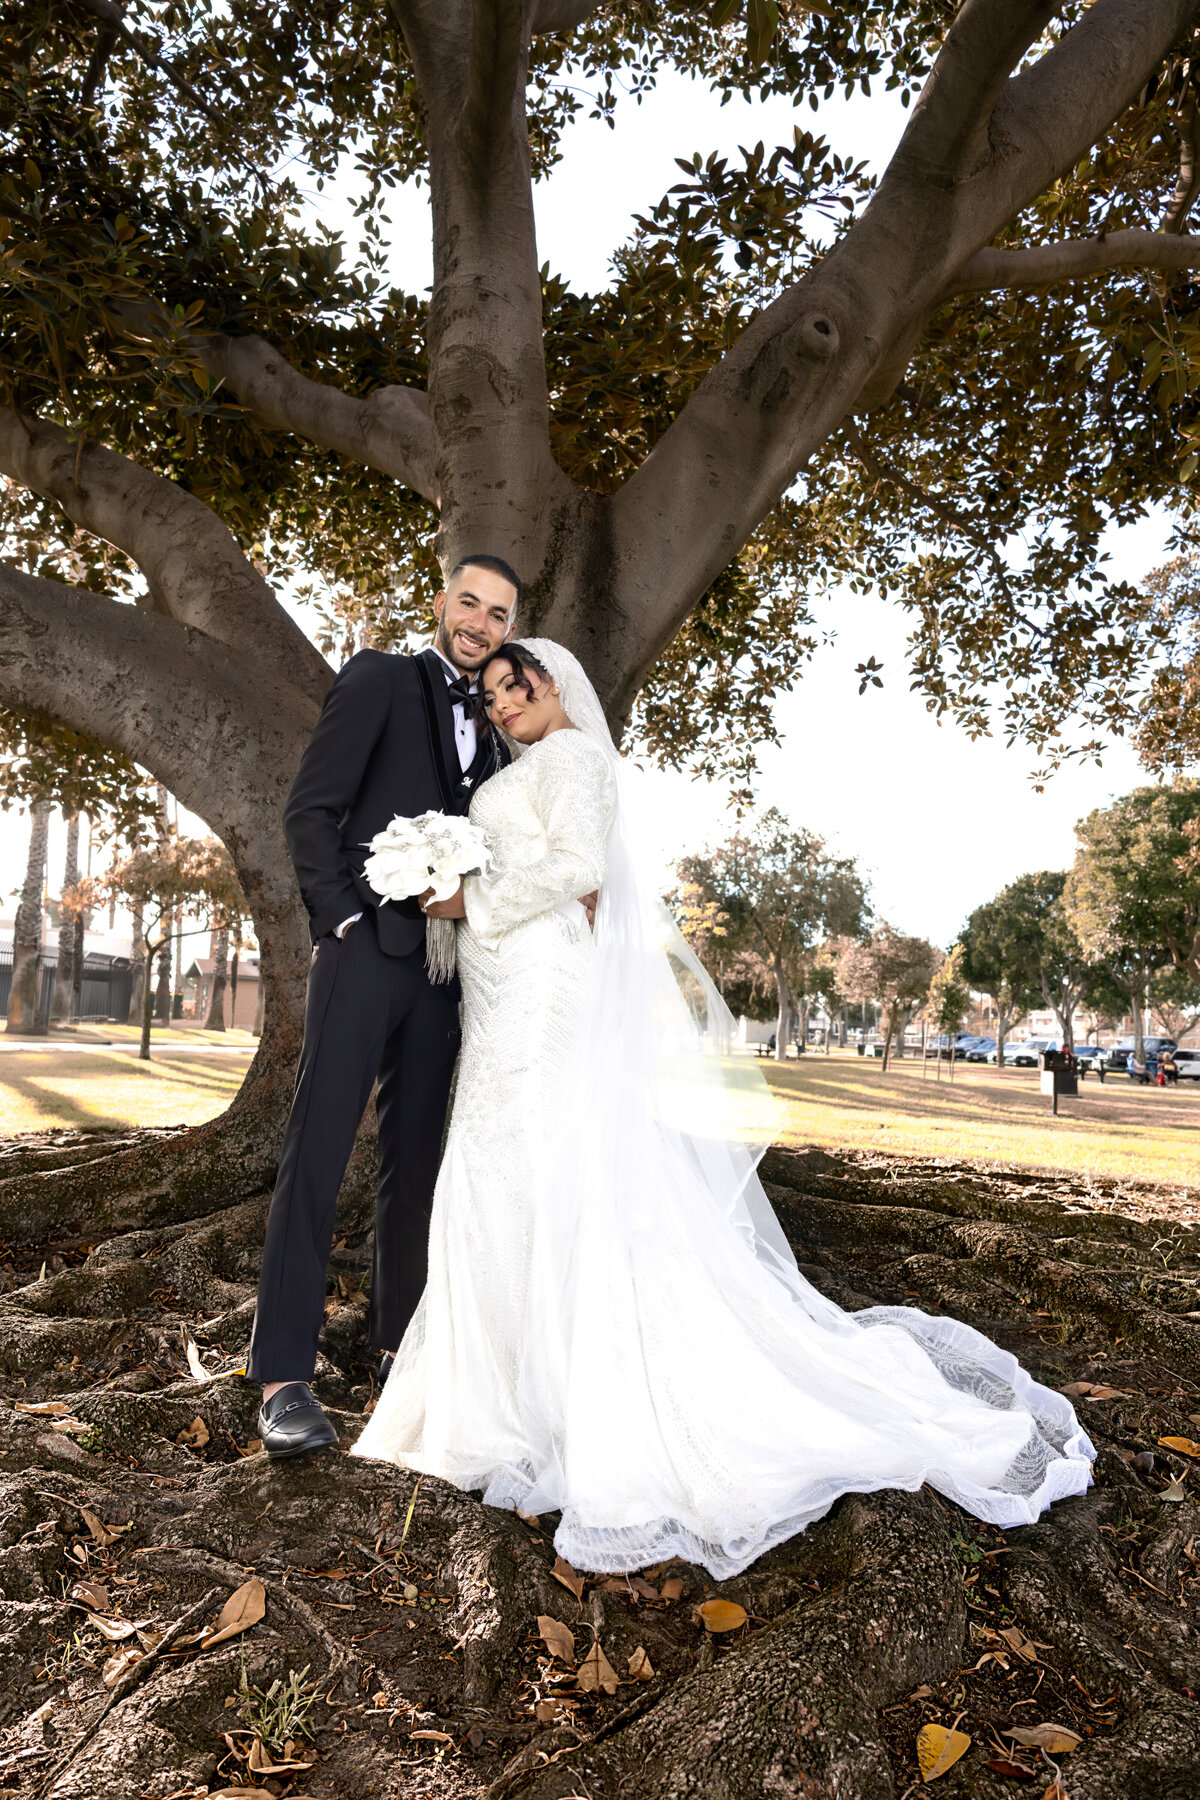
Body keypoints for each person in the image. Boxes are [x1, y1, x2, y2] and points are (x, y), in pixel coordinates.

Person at [353, 639, 1094, 1580]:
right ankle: (495, 1393)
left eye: (516, 685)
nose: (502, 704)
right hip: (506, 986)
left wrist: (471, 898)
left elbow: (577, 865)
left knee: (528, 1162)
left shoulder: (573, 756)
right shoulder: (532, 768)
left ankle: (547, 1401)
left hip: (539, 988)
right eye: (492, 694)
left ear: (555, 682)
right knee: (500, 1166)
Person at [249, 556, 522, 1459]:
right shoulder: (377, 677)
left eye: (498, 614)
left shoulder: (503, 727)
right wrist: (343, 924)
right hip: (366, 956)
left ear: (510, 629)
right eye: (469, 602)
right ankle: (283, 1379)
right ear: (443, 603)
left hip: (449, 974)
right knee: (319, 1151)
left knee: (417, 1163)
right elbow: (311, 811)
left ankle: (399, 1351)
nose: (479, 623)